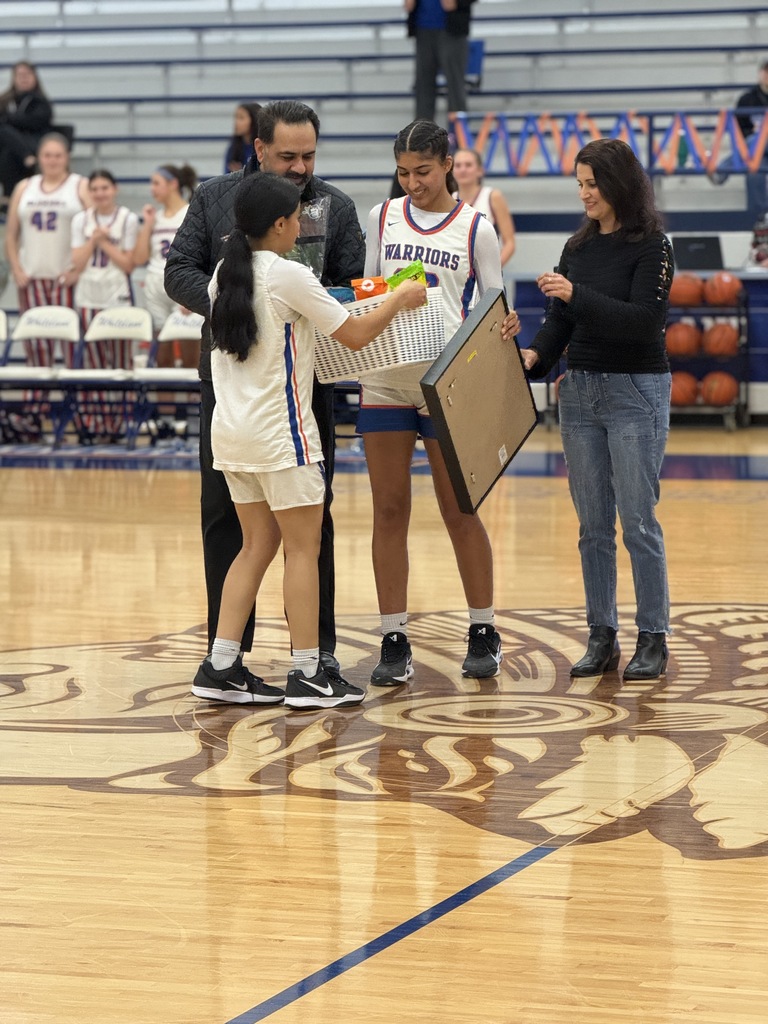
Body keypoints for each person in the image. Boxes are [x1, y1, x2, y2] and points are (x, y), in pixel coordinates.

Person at [192, 173, 426, 708]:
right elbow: (356, 333)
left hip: (232, 435)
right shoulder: (287, 273)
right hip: (282, 436)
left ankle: (221, 664)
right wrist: (400, 297)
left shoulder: (222, 277)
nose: (301, 226)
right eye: (296, 218)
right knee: (303, 548)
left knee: (255, 546)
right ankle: (308, 673)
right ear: (279, 224)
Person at [164, 99, 366, 680]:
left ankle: (317, 650)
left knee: (311, 521)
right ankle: (231, 654)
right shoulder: (212, 197)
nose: (301, 167)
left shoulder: (337, 205)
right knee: (227, 522)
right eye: (287, 156)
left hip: (306, 383)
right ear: (258, 151)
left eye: (308, 156)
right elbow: (178, 270)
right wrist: (244, 308)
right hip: (229, 380)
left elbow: (352, 285)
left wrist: (292, 305)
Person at [502, 138, 674, 682]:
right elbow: (559, 326)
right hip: (580, 393)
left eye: (592, 185)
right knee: (592, 525)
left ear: (620, 183)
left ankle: (654, 636)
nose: (585, 195)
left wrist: (575, 296)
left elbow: (642, 322)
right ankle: (601, 635)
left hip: (637, 390)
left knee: (638, 522)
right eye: (579, 184)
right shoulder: (577, 248)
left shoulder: (653, 246)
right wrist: (531, 356)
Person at [360, 118, 510, 686]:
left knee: (460, 511)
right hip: (384, 379)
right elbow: (368, 289)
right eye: (402, 172)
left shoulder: (477, 228)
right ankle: (394, 636)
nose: (411, 183)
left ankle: (483, 627)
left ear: (448, 165)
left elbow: (492, 309)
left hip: (448, 385)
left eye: (421, 171)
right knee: (389, 509)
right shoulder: (382, 216)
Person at [5, 131, 90, 364]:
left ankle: (75, 398)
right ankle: (37, 400)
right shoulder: (25, 187)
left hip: (67, 277)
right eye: (47, 155)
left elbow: (95, 231)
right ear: (39, 157)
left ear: (67, 157)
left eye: (58, 155)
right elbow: (11, 235)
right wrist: (16, 267)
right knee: (36, 344)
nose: (52, 160)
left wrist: (78, 268)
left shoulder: (80, 185)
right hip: (31, 276)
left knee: (73, 344)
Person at [70, 169, 140, 441]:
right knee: (94, 364)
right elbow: (77, 262)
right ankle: (98, 423)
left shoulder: (126, 219)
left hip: (117, 296)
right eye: (95, 188)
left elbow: (128, 264)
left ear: (115, 189)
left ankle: (121, 423)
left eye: (105, 188)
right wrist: (93, 240)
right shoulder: (80, 220)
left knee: (120, 363)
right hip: (88, 296)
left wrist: (104, 242)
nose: (100, 193)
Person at [132, 163, 198, 434]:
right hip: (155, 287)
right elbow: (138, 258)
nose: (152, 189)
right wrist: (147, 224)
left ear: (173, 184)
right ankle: (168, 418)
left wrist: (190, 292)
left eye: (157, 182)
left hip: (181, 287)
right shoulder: (155, 216)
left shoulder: (189, 212)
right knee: (163, 357)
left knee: (193, 353)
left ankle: (193, 415)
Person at [708, 59, 768, 224]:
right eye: (766, 71)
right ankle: (760, 218)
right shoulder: (747, 99)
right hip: (756, 152)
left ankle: (720, 172)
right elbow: (738, 129)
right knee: (754, 170)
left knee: (757, 139)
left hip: (756, 144)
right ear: (760, 73)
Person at [406, 0, 476, 123]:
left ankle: (458, 135)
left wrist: (458, 2)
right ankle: (422, 137)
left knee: (455, 86)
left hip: (452, 29)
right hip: (422, 28)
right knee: (423, 87)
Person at [451, 147, 516, 266]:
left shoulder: (492, 196)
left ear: (480, 170)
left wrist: (492, 271)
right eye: (458, 165)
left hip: (485, 271)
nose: (463, 170)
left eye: (468, 165)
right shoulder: (449, 199)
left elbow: (510, 243)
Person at [0, 61, 53, 202]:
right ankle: (26, 157)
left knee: (4, 132)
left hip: (34, 145)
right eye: (19, 75)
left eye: (27, 74)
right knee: (7, 147)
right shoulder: (4, 100)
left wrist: (10, 119)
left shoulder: (41, 102)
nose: (24, 78)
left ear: (35, 77)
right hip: (10, 151)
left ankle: (9, 197)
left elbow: (35, 122)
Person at [223, 102, 261, 174]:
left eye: (241, 118)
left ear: (254, 120)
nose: (236, 122)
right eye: (236, 117)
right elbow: (225, 175)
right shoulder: (233, 148)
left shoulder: (262, 147)